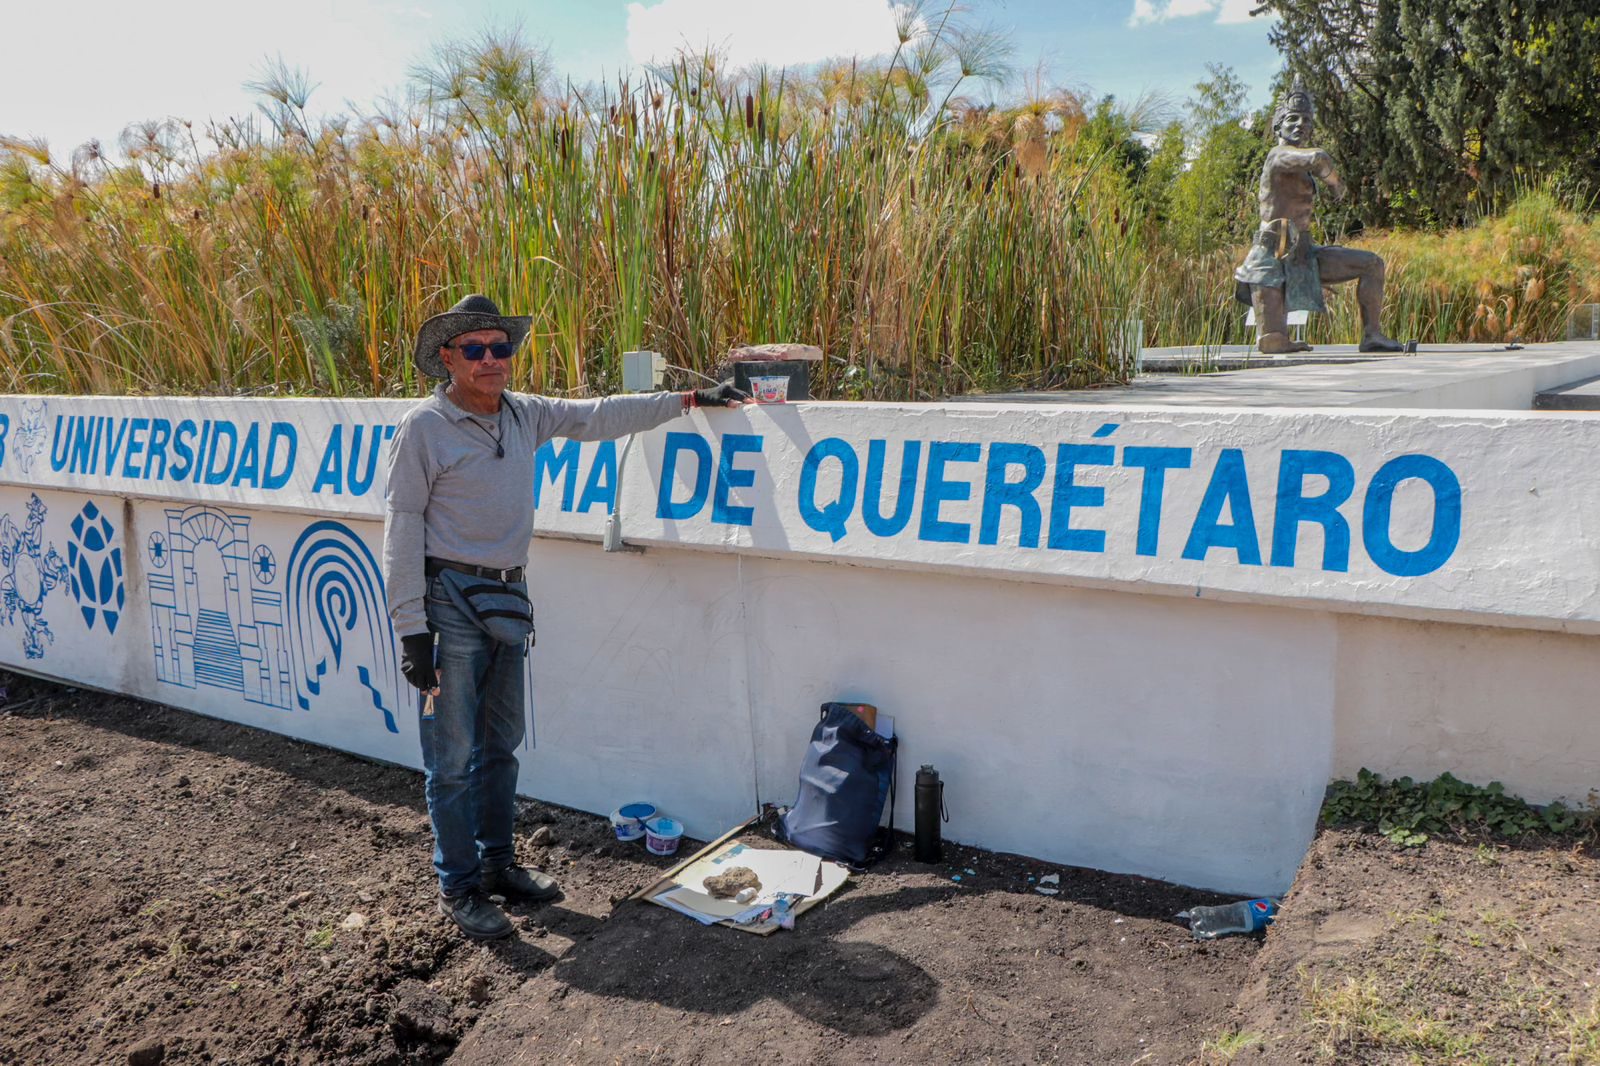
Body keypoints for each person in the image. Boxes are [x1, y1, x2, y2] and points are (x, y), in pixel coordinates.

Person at [382, 293, 746, 940]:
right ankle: (458, 886)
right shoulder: (423, 428)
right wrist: (411, 629)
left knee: (502, 747)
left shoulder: (526, 414)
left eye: (501, 347)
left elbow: (601, 416)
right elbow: (402, 524)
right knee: (452, 758)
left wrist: (689, 401)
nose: (491, 359)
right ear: (447, 359)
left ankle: (499, 865)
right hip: (448, 609)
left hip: (507, 601)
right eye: (475, 349)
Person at [1234, 86, 1403, 355]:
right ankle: (1280, 334)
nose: (1301, 124)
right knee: (1273, 342)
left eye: (1307, 120)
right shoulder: (1277, 156)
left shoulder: (1298, 167)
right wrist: (1337, 185)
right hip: (1271, 256)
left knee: (1372, 264)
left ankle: (1372, 335)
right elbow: (1318, 157)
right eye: (1292, 119)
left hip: (1303, 254)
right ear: (1278, 126)